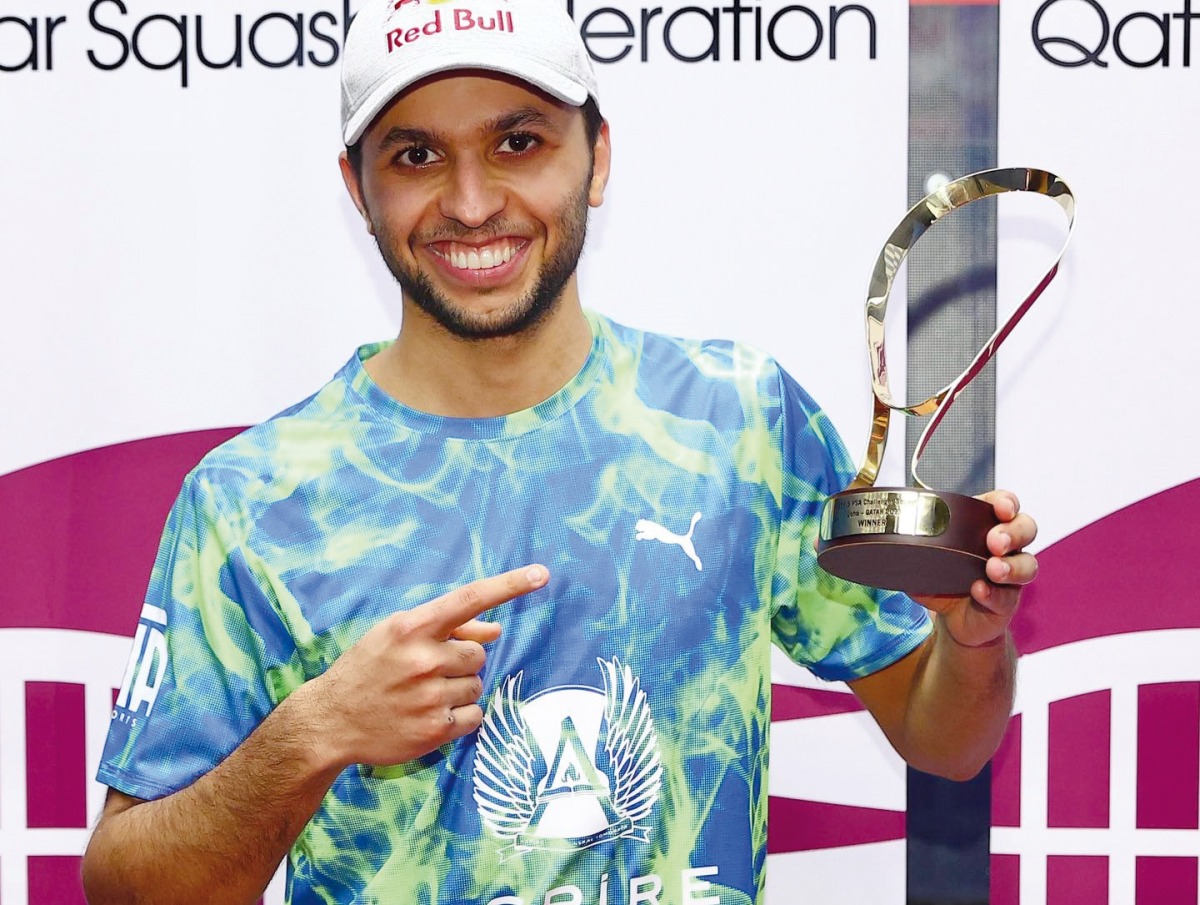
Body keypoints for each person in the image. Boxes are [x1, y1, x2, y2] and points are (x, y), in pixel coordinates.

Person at [80, 0, 1038, 900]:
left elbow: (944, 738)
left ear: (597, 157)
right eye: (415, 155)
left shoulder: (736, 418)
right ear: (356, 189)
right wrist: (311, 733)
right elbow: (126, 885)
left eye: (517, 142)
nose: (468, 202)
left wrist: (973, 641)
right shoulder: (255, 498)